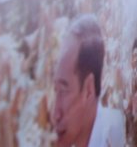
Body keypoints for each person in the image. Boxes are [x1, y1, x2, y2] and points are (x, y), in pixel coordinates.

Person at [52, 14, 125, 147]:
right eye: (55, 91)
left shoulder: (118, 136)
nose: (55, 114)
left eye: (63, 91)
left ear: (89, 89)